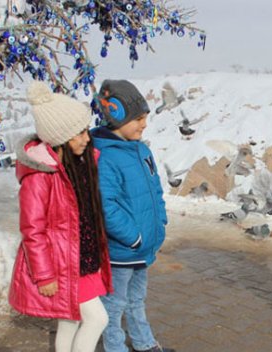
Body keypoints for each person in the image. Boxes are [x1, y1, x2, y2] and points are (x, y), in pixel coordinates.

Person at [9, 81, 113, 352]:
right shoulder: (40, 176)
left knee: (70, 321)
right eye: (79, 134)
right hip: (63, 265)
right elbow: (33, 230)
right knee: (98, 318)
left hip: (81, 260)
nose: (86, 138)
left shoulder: (79, 166)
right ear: (60, 138)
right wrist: (44, 276)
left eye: (86, 131)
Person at [91, 80, 172, 352]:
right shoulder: (106, 156)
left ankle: (144, 343)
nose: (144, 124)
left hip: (142, 246)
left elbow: (156, 190)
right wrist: (133, 237)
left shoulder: (141, 150)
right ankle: (115, 348)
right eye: (138, 118)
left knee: (138, 299)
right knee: (113, 306)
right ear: (116, 117)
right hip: (122, 250)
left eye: (146, 117)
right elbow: (107, 205)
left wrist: (160, 222)